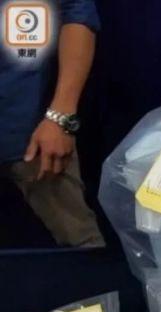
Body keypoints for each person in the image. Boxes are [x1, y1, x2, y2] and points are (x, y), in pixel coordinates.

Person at [0, 0, 105, 247]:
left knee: (83, 244)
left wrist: (61, 118)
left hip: (27, 130)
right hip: (25, 122)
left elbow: (76, 16)